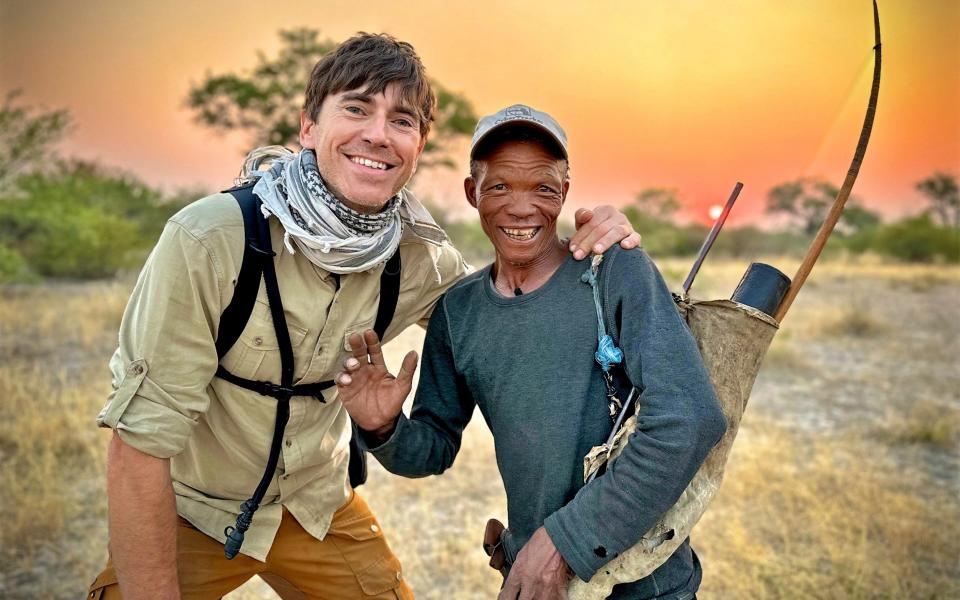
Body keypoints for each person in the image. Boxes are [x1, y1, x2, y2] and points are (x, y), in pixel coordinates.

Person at [90, 35, 639, 599]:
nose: (378, 134)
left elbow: (509, 294)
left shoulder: (419, 259)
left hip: (318, 506)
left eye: (401, 120)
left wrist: (597, 244)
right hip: (192, 509)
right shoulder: (209, 240)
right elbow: (139, 443)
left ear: (418, 146)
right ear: (308, 127)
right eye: (356, 108)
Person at [335, 105, 727, 599]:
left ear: (564, 193)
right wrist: (383, 427)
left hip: (645, 584)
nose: (521, 209)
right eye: (499, 187)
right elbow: (432, 450)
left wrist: (564, 543)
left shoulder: (614, 272)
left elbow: (689, 418)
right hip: (535, 583)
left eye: (543, 188)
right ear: (472, 193)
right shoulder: (459, 310)